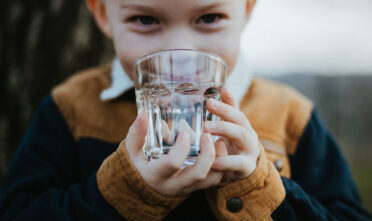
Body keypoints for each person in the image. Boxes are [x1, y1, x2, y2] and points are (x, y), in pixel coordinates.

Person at [0, 0, 371, 220]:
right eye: (146, 19)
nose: (180, 54)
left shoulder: (290, 116)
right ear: (102, 14)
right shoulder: (73, 108)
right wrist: (125, 191)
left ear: (246, 9)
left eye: (208, 18)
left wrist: (256, 188)